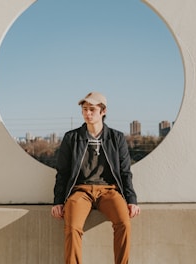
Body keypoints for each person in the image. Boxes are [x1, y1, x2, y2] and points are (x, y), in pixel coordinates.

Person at [51, 91, 140, 264]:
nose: (87, 113)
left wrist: (131, 199)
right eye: (84, 109)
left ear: (103, 111)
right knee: (72, 228)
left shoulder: (116, 138)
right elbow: (62, 172)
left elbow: (125, 172)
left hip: (109, 190)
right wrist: (58, 201)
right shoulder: (72, 138)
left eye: (92, 109)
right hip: (80, 191)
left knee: (124, 223)